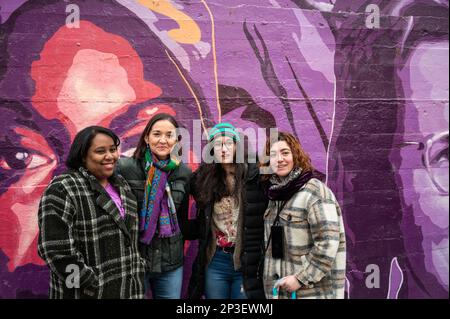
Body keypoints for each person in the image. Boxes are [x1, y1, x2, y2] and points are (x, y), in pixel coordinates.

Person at [37, 126, 144, 299]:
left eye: (112, 149)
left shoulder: (121, 184)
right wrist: (91, 282)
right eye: (100, 151)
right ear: (83, 156)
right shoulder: (63, 188)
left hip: (127, 289)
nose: (110, 156)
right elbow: (55, 250)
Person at [260, 132, 346, 299]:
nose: (279, 159)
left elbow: (328, 244)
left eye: (285, 152)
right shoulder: (275, 194)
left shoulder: (314, 192)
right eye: (273, 154)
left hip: (312, 292)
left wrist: (301, 278)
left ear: (296, 155)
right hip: (280, 292)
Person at [116, 113, 193, 299]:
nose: (163, 140)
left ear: (176, 140)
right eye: (157, 134)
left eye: (169, 135)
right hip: (135, 260)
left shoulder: (183, 172)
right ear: (146, 137)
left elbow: (182, 219)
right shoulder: (125, 168)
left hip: (170, 263)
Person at [188, 122, 268, 299]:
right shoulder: (202, 180)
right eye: (217, 144)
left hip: (245, 262)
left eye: (229, 144)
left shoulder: (253, 176)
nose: (223, 149)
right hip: (216, 261)